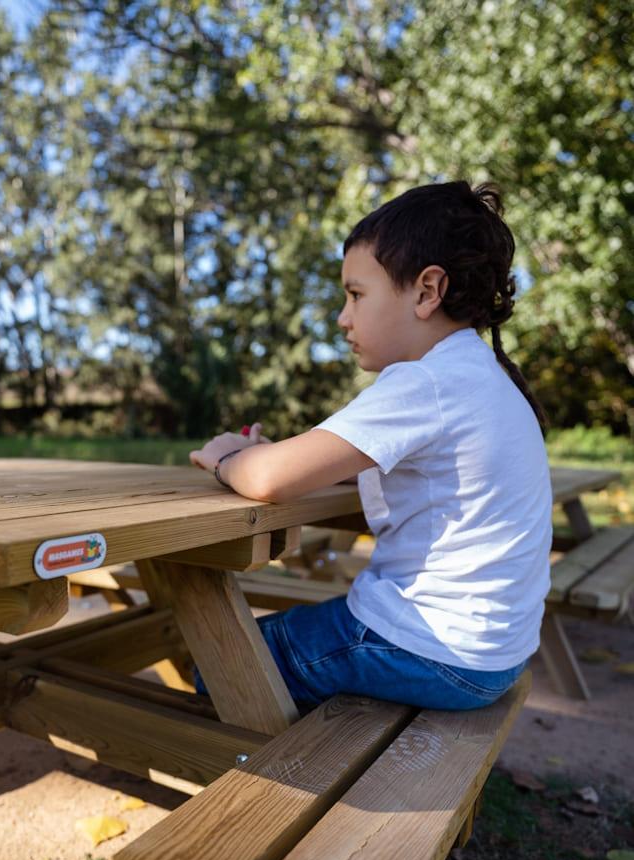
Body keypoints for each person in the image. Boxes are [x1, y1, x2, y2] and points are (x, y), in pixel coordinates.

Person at [189, 181, 552, 712]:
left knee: (221, 662)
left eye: (356, 294)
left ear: (428, 292)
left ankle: (277, 779)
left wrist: (228, 459)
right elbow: (346, 464)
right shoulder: (478, 375)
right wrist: (275, 458)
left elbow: (268, 482)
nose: (342, 316)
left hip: (430, 648)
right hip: (493, 654)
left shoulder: (424, 382)